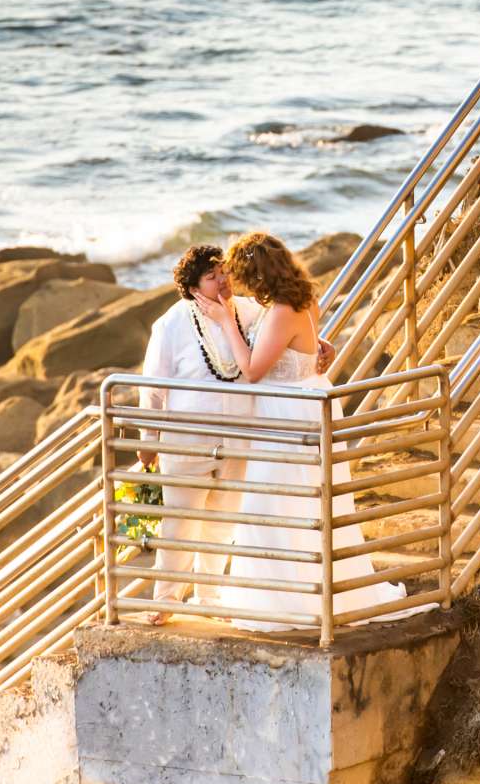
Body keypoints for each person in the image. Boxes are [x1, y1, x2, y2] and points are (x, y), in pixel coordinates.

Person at [204, 229, 405, 627]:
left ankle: (289, 599)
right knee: (304, 502)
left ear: (259, 275)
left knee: (276, 502)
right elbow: (302, 342)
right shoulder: (304, 300)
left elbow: (253, 369)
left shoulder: (280, 310)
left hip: (288, 414)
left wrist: (225, 321)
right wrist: (323, 344)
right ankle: (307, 588)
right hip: (306, 406)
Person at [135, 243, 258, 617]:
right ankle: (166, 602)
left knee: (222, 521)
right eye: (211, 276)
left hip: (239, 434)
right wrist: (148, 442)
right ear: (193, 288)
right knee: (180, 523)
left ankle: (210, 599)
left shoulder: (250, 311)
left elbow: (281, 344)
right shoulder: (171, 324)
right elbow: (154, 388)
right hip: (187, 440)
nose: (222, 281)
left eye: (224, 272)